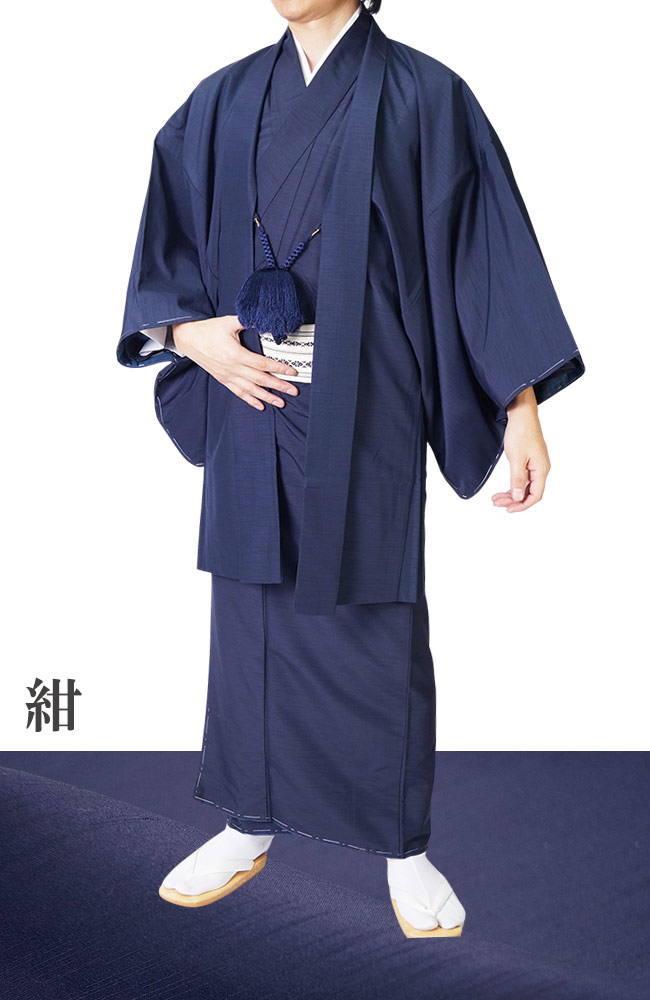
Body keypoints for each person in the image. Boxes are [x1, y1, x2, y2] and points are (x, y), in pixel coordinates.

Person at [117, 0, 585, 938]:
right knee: (247, 620)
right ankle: (246, 824)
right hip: (250, 402)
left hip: (366, 407)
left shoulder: (425, 96)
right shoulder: (220, 101)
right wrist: (190, 339)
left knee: (376, 626)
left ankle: (403, 851)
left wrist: (521, 406)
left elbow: (480, 252)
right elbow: (165, 254)